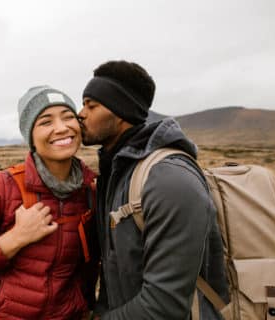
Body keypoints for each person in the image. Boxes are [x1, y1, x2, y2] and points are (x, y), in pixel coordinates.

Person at [77, 60, 228, 319]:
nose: (80, 113)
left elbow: (165, 306)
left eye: (91, 105)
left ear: (120, 110)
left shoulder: (169, 180)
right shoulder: (117, 173)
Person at [0, 86, 98, 320]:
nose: (61, 127)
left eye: (68, 117)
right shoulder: (1, 188)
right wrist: (16, 238)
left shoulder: (91, 190)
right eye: (46, 122)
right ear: (31, 137)